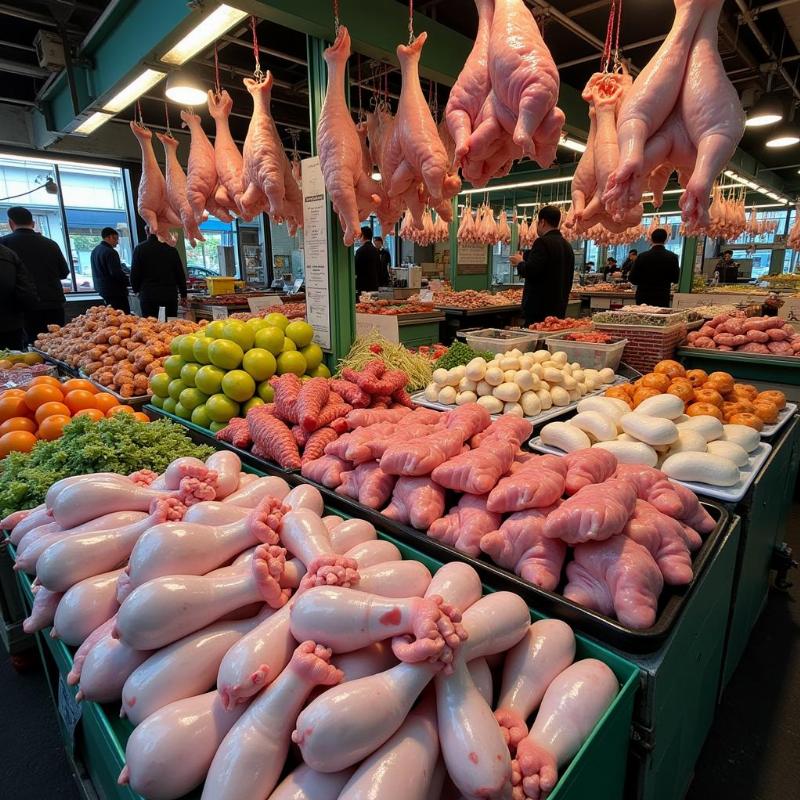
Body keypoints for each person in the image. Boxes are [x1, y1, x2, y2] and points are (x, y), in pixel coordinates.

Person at [0, 206, 69, 340]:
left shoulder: (4, 245)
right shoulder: (51, 244)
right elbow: (64, 272)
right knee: (58, 344)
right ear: (33, 223)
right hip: (53, 303)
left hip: (24, 308)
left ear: (10, 223)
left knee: (31, 348)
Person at [510, 205, 575, 325]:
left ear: (542, 222)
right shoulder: (567, 246)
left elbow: (531, 270)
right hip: (559, 307)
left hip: (539, 310)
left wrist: (520, 263)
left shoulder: (542, 242)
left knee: (535, 341)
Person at [130, 226, 187, 318]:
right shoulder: (171, 250)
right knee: (171, 325)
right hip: (169, 295)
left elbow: (134, 275)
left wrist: (137, 291)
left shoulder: (139, 249)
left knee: (151, 326)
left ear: (147, 232)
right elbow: (180, 274)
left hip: (148, 294)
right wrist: (183, 294)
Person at [0, 242, 39, 350]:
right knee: (13, 362)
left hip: (10, 322)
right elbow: (27, 293)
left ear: (12, 224)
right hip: (10, 324)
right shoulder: (8, 254)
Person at [628, 228, 680, 307]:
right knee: (660, 318)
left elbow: (632, 278)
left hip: (643, 297)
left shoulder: (642, 256)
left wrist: (644, 282)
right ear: (665, 240)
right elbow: (676, 279)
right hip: (662, 296)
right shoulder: (672, 257)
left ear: (651, 239)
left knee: (642, 318)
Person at [90, 227, 130, 312]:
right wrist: (128, 281)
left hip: (103, 290)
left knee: (110, 316)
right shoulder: (111, 252)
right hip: (115, 292)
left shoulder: (95, 251)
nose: (117, 242)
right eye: (116, 239)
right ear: (109, 237)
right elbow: (116, 273)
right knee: (122, 317)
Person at [354, 226, 380, 293]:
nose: (358, 238)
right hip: (374, 284)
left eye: (359, 236)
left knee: (363, 303)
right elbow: (379, 267)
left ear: (362, 236)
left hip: (362, 285)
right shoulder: (376, 250)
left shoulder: (360, 251)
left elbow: (356, 269)